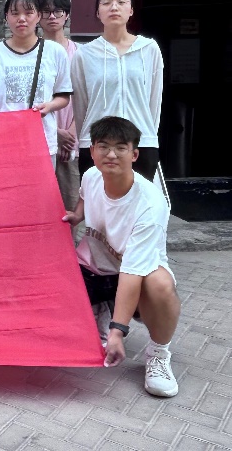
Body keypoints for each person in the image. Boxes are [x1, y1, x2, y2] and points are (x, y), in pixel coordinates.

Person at [62, 116, 180, 398]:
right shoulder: (91, 176)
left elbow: (132, 272)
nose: (111, 154)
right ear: (92, 151)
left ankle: (158, 355)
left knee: (160, 284)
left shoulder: (150, 205)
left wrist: (118, 331)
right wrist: (76, 215)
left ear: (134, 154)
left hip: (132, 276)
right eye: (103, 146)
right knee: (51, 282)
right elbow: (84, 196)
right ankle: (102, 307)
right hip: (91, 268)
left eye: (120, 148)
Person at [71, 0, 164, 181]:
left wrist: (148, 135)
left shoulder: (149, 49)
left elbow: (154, 100)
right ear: (98, 12)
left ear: (131, 10)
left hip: (140, 144)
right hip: (97, 144)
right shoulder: (84, 54)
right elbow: (80, 105)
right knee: (97, 199)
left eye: (121, 2)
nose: (114, 7)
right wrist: (88, 138)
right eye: (107, 3)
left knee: (138, 200)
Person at [0, 0, 72, 166]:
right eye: (15, 13)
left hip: (42, 142)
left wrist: (49, 106)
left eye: (28, 13)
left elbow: (63, 96)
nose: (21, 19)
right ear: (6, 17)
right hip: (2, 144)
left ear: (38, 16)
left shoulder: (55, 52)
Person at [38, 0, 80, 226]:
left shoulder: (80, 53)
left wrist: (70, 134)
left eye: (58, 11)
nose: (52, 17)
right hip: (41, 136)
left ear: (67, 15)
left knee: (70, 204)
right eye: (46, 12)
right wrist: (55, 133)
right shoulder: (32, 52)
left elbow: (85, 97)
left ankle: (71, 249)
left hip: (72, 140)